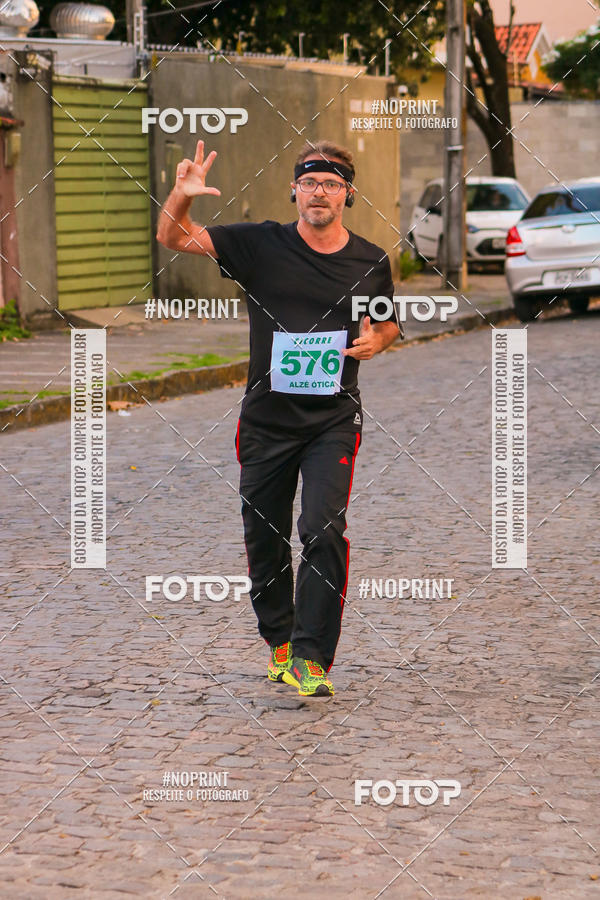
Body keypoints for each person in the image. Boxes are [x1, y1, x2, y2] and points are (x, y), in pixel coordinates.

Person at [157, 139, 401, 696]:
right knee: (264, 538)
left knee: (323, 528)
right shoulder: (258, 245)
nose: (320, 192)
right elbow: (171, 236)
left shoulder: (370, 261)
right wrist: (181, 194)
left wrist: (374, 342)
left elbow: (386, 324)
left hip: (331, 420)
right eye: (310, 182)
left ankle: (313, 658)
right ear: (294, 190)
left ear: (349, 194)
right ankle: (281, 640)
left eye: (332, 184)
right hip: (266, 420)